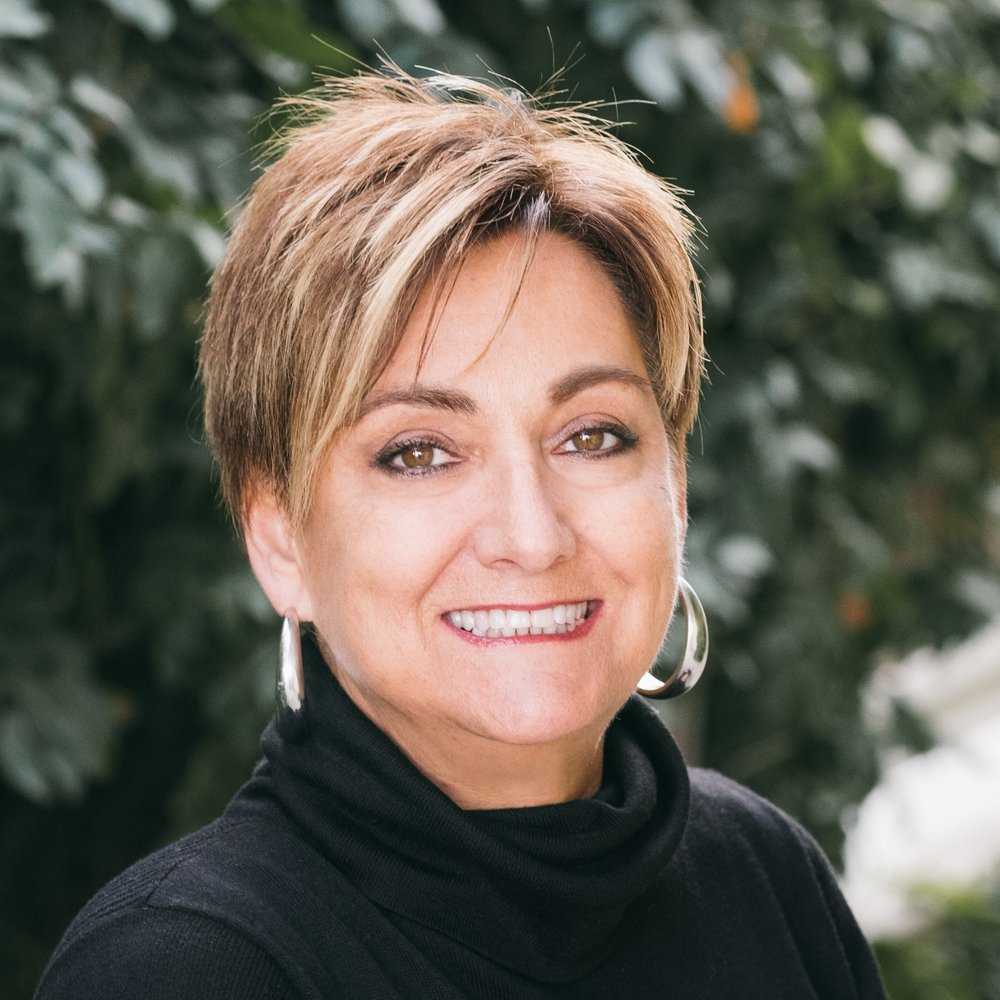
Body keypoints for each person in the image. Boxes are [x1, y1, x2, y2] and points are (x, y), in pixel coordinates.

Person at [35, 68, 886, 999]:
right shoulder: (182, 969)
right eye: (420, 453)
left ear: (674, 482)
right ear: (279, 538)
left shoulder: (763, 875)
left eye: (591, 436)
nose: (532, 534)